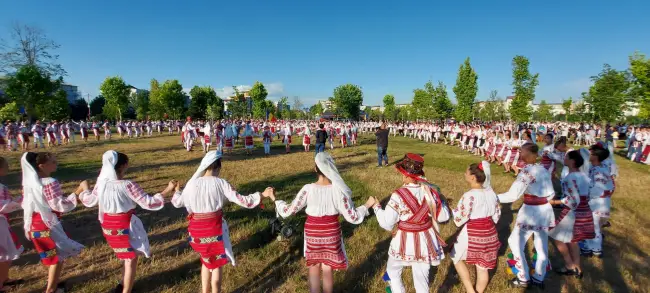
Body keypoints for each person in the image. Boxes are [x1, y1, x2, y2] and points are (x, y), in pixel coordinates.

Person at [269, 152, 374, 293]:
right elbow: (352, 217)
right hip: (331, 233)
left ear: (315, 169)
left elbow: (289, 210)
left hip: (313, 233)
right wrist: (366, 205)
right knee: (327, 268)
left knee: (313, 266)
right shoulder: (338, 190)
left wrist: (276, 200)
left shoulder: (308, 189)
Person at [173, 151, 273, 293]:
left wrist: (177, 191)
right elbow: (242, 200)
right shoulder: (221, 183)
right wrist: (262, 195)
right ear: (218, 168)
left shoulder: (192, 184)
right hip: (213, 231)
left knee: (206, 261)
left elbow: (178, 202)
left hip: (196, 232)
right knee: (217, 264)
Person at [79, 151, 176, 293]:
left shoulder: (102, 185)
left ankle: (123, 283)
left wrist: (85, 188)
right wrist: (167, 190)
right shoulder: (127, 185)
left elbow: (89, 200)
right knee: (131, 259)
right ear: (124, 166)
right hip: (124, 225)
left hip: (108, 225)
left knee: (126, 256)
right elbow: (149, 203)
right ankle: (126, 290)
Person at [372, 153, 450, 293]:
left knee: (393, 271)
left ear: (406, 175)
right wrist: (441, 199)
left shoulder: (398, 195)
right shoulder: (430, 191)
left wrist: (377, 207)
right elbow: (443, 217)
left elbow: (387, 223)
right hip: (425, 241)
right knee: (422, 283)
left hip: (404, 241)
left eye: (402, 173)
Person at [21, 152, 86, 293]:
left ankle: (53, 285)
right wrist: (79, 191)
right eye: (53, 162)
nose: (56, 164)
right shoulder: (50, 182)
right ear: (42, 166)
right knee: (56, 258)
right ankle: (51, 289)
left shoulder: (28, 183)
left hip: (34, 224)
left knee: (54, 257)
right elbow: (59, 205)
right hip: (48, 225)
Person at [497, 143, 555, 288]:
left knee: (515, 242)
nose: (520, 153)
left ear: (529, 153)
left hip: (531, 211)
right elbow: (551, 193)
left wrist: (492, 197)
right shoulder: (543, 169)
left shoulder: (527, 171)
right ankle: (539, 277)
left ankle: (523, 277)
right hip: (545, 210)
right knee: (541, 245)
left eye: (522, 151)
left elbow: (513, 195)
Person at [450, 161, 500, 293]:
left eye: (466, 172)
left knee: (455, 256)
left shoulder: (469, 196)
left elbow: (460, 219)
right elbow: (496, 216)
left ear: (473, 177)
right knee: (482, 267)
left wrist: (452, 211)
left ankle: (470, 290)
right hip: (490, 232)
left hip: (473, 231)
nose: (464, 174)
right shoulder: (491, 193)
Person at [548, 150, 594, 279]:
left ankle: (569, 265)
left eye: (566, 157)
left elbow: (572, 199)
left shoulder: (569, 178)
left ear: (572, 161)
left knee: (556, 236)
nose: (564, 159)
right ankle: (577, 266)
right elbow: (587, 195)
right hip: (584, 210)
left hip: (572, 211)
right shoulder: (585, 176)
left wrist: (554, 201)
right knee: (573, 239)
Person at [580, 144, 615, 258]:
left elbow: (597, 189)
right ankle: (595, 248)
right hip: (602, 201)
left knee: (591, 225)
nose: (589, 154)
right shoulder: (600, 168)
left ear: (595, 156)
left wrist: (586, 196)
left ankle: (590, 248)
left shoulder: (598, 171)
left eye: (591, 153)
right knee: (595, 226)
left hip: (597, 202)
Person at [0, 157, 24, 292]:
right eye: (6, 166)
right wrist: (21, 200)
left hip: (3, 223)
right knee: (4, 254)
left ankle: (4, 278)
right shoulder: (1, 187)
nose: (8, 168)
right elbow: (3, 206)